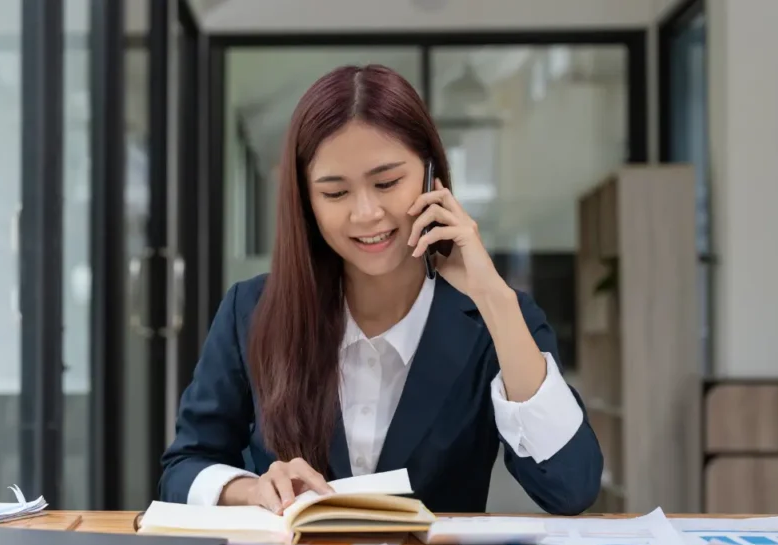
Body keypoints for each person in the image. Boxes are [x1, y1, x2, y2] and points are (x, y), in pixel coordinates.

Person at [158, 64, 602, 516]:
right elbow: (184, 466)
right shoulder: (251, 310)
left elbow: (572, 488)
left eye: (387, 183)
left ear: (432, 176)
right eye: (335, 193)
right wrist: (249, 490)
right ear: (306, 203)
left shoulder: (496, 317)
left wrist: (494, 298)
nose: (366, 213)